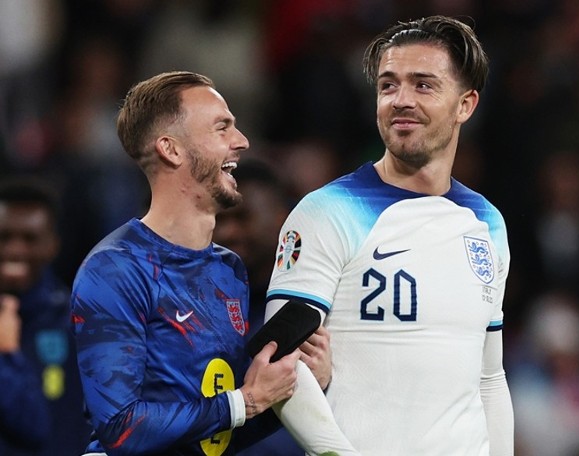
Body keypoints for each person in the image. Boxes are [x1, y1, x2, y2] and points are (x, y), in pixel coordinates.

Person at [70, 71, 357, 456]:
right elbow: (120, 430)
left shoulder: (228, 270)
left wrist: (291, 387)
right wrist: (247, 401)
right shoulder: (116, 269)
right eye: (222, 128)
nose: (241, 142)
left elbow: (218, 435)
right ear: (171, 149)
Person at [265, 15, 515, 455]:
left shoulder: (487, 223)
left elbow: (489, 378)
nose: (401, 100)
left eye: (423, 85)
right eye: (388, 85)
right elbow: (281, 362)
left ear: (466, 105)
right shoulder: (328, 212)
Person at [214, 158, 332, 455]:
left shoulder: (321, 308)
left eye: (243, 218)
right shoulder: (195, 310)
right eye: (220, 220)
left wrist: (327, 381)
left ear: (284, 220)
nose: (227, 233)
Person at [0, 176, 92, 456]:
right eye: (4, 237)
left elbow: (38, 429)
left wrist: (7, 355)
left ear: (53, 244)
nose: (16, 250)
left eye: (30, 239)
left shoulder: (77, 325)